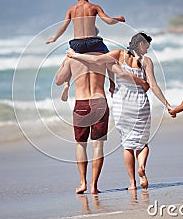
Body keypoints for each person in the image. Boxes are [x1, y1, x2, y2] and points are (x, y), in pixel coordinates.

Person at [67, 32, 172, 190]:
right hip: (140, 104)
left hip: (122, 106)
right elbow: (153, 86)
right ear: (141, 44)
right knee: (142, 143)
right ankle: (141, 167)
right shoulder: (146, 61)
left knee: (127, 145)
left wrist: (75, 56)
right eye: (147, 47)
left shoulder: (118, 54)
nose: (147, 51)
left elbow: (96, 60)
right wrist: (167, 104)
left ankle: (132, 183)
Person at [55, 51, 149, 194]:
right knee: (97, 146)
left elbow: (58, 80)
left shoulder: (71, 58)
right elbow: (118, 74)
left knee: (81, 144)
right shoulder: (103, 56)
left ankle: (82, 183)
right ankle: (94, 186)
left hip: (81, 103)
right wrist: (113, 84)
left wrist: (65, 63)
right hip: (99, 101)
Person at [47, 0, 125, 101]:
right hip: (93, 43)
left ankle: (67, 83)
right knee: (108, 57)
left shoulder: (72, 9)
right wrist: (118, 19)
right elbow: (108, 21)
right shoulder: (94, 7)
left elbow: (63, 27)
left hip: (77, 44)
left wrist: (54, 38)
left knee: (68, 58)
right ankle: (111, 83)